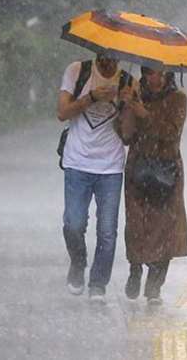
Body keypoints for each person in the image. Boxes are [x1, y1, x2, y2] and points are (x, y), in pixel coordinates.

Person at [57, 53, 135, 302]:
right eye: (105, 58)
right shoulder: (77, 71)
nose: (110, 63)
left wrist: (126, 106)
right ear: (98, 52)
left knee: (107, 230)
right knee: (73, 223)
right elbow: (62, 112)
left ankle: (98, 284)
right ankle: (78, 263)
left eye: (115, 59)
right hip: (77, 163)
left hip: (110, 167)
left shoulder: (127, 82)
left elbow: (128, 136)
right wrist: (91, 97)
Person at [117, 66, 187, 305]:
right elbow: (125, 136)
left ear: (167, 73)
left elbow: (170, 132)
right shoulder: (136, 92)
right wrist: (127, 107)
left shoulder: (178, 98)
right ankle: (135, 268)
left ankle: (155, 284)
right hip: (138, 168)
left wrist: (144, 113)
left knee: (166, 229)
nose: (151, 77)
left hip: (167, 169)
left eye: (156, 72)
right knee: (136, 223)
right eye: (146, 71)